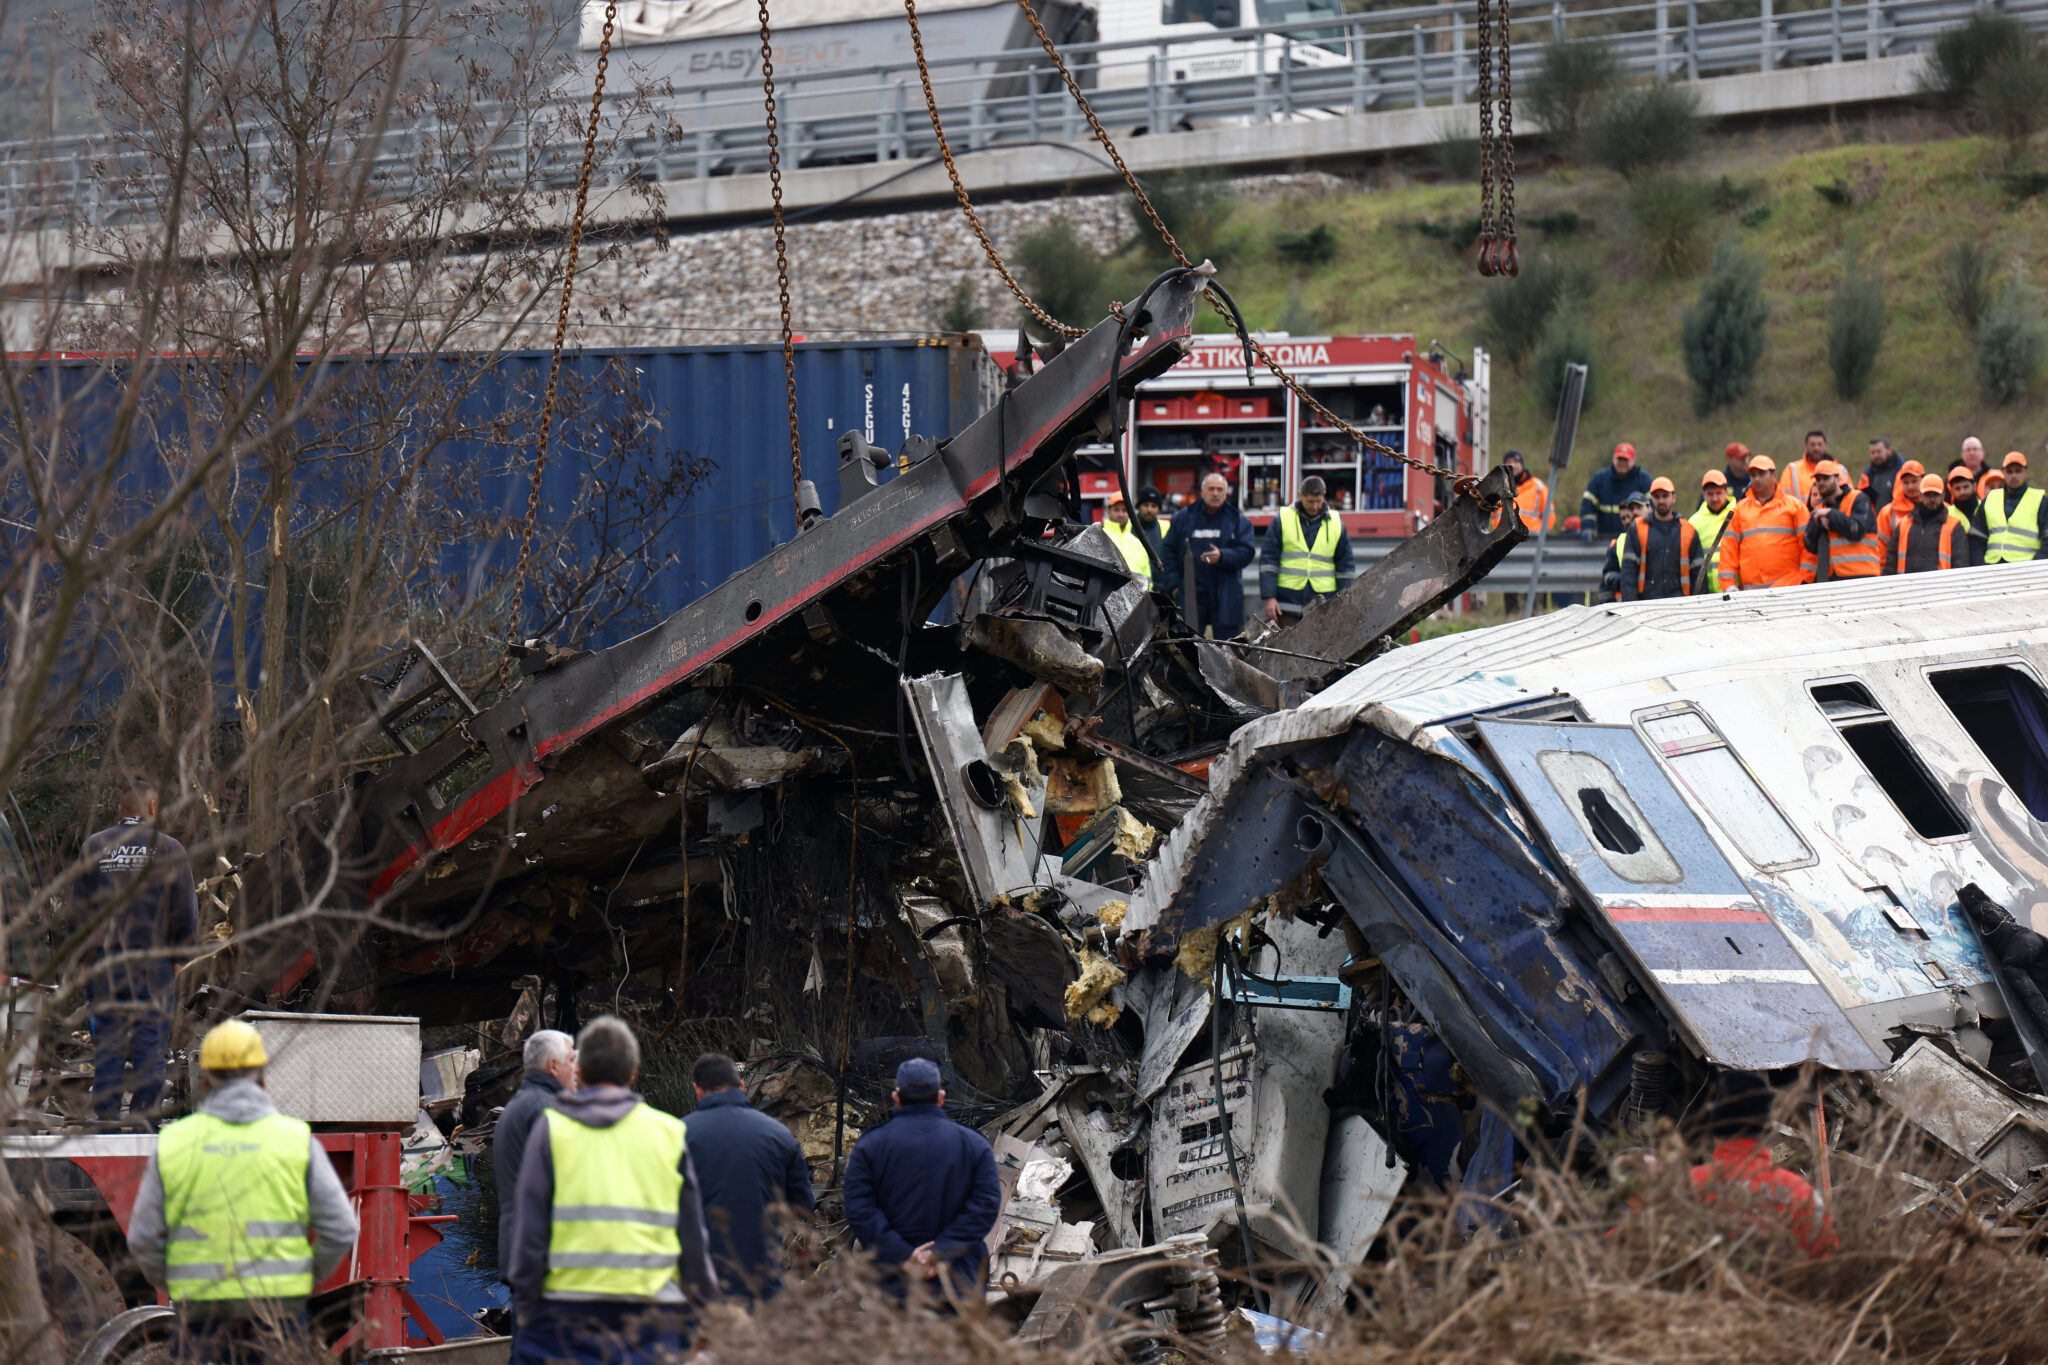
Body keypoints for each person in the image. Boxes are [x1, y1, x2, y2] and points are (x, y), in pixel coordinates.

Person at [126, 1020, 359, 1363]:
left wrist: (177, 1285)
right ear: (264, 1081)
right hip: (278, 1317)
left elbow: (143, 1240)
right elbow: (341, 1228)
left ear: (204, 1083)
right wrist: (305, 1279)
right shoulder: (296, 1141)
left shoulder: (174, 1144)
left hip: (200, 1320)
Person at [509, 1016, 720, 1364]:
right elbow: (693, 1238)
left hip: (570, 1312)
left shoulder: (551, 1130)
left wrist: (529, 1309)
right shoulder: (668, 1133)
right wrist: (707, 1309)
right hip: (654, 1316)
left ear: (580, 1074)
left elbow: (530, 1233)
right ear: (633, 1073)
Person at [78, 779, 198, 1128]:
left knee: (109, 1041)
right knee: (150, 1039)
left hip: (106, 963)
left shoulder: (94, 846)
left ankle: (106, 1118)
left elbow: (79, 911)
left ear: (120, 811)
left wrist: (86, 959)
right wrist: (178, 957)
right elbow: (186, 910)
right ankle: (144, 1118)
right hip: (153, 963)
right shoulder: (170, 848)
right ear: (152, 808)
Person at [841, 1058, 1000, 1303]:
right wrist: (939, 1253)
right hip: (959, 1282)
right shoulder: (974, 1145)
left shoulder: (869, 1147)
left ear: (896, 1098)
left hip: (893, 1285)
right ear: (941, 1097)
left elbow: (860, 1209)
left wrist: (903, 1256)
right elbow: (985, 1206)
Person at [682, 1052, 815, 1302]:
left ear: (697, 1090)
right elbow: (802, 1207)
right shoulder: (780, 1136)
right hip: (762, 1276)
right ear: (741, 1087)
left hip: (698, 1279)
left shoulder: (676, 1137)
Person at [494, 1029, 575, 1287]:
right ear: (553, 1065)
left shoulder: (517, 1107)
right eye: (571, 1060)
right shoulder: (548, 1110)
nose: (577, 1068)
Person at [1159, 472, 1256, 637]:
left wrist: (1223, 556)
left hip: (1226, 595)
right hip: (1191, 595)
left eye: (1220, 489)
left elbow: (1247, 551)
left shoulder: (1238, 520)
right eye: (1211, 489)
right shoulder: (1183, 518)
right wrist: (1175, 586)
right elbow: (1167, 552)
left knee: (1228, 650)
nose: (1215, 493)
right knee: (1188, 648)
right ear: (1202, 492)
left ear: (1226, 493)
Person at [1260, 474, 1356, 622]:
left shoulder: (1336, 523)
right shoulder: (1282, 519)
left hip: (1323, 605)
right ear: (1300, 496)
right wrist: (1269, 597)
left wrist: (1344, 599)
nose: (1315, 506)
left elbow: (1345, 566)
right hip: (1287, 605)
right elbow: (1268, 560)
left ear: (1324, 496)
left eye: (1318, 501)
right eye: (1310, 501)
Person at [1719, 455, 1810, 591]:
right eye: (1753, 475)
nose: (1756, 479)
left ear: (1774, 475)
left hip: (1790, 588)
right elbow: (1729, 549)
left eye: (1761, 474)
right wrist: (1728, 584)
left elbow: (1808, 546)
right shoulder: (1740, 510)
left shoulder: (1795, 507)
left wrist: (1805, 579)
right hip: (1753, 594)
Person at [1621, 477, 1704, 601]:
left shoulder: (1688, 531)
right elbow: (1628, 572)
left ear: (1674, 498)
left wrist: (1697, 605)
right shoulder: (1637, 529)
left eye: (1665, 496)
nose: (1661, 500)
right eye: (1657, 496)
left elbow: (1698, 573)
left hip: (1680, 603)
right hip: (1647, 603)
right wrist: (1631, 606)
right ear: (1651, 499)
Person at [1799, 460, 1879, 583]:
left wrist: (1831, 514)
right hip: (1834, 577)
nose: (1821, 483)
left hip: (1862, 575)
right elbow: (1810, 545)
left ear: (1837, 479)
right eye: (1818, 479)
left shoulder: (1859, 499)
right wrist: (1818, 523)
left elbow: (1856, 530)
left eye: (1825, 478)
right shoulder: (1820, 509)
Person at [1970, 450, 2048, 565]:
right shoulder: (1991, 499)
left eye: (2018, 471)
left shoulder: (2040, 500)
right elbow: (1976, 538)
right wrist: (1981, 566)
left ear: (2027, 473)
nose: (2014, 475)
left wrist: (2035, 566)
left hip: (2028, 570)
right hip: (1992, 570)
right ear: (2003, 473)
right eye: (2009, 471)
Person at [1888, 474, 1966, 574]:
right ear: (1920, 496)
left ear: (1943, 496)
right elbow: (1891, 562)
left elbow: (1960, 565)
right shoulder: (1904, 525)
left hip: (1940, 587)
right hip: (1906, 587)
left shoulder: (1954, 527)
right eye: (1928, 495)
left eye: (1936, 495)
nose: (1932, 499)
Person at [1579, 442, 1653, 539]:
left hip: (1635, 539)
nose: (1622, 463)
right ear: (1613, 459)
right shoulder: (1599, 479)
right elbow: (1587, 506)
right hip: (1603, 540)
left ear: (1634, 460)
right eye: (1619, 459)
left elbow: (1653, 507)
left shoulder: (1644, 480)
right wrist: (1587, 527)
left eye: (1626, 460)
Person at [1687, 469, 1737, 593]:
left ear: (1726, 492)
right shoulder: (1694, 523)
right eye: (1710, 494)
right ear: (1703, 495)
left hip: (1736, 589)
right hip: (1707, 593)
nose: (1715, 498)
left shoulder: (1739, 515)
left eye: (1719, 493)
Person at [1598, 493, 1649, 602]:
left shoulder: (1654, 536)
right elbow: (1606, 580)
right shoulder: (1618, 543)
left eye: (1628, 517)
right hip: (1626, 606)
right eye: (1623, 518)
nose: (1626, 521)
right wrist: (1625, 579)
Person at [1099, 492, 1155, 589]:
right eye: (1116, 510)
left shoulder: (1138, 544)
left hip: (1135, 600)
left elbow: (1147, 580)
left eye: (1125, 510)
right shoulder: (1100, 536)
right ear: (1108, 511)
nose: (1121, 514)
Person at [1872, 459, 1925, 547]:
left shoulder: (1938, 508)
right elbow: (1880, 545)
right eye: (1906, 482)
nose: (1910, 486)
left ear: (1923, 480)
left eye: (1914, 481)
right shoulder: (1887, 513)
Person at [1780, 429, 1830, 502]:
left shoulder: (1839, 470)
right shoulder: (1792, 470)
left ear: (1825, 446)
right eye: (1812, 444)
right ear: (1806, 446)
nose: (1816, 448)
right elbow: (1784, 501)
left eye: (1819, 444)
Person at [1859, 437, 1907, 507]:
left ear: (1889, 450)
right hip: (1878, 516)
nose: (1875, 455)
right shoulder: (1868, 473)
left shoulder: (1902, 469)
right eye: (1872, 453)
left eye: (1879, 452)